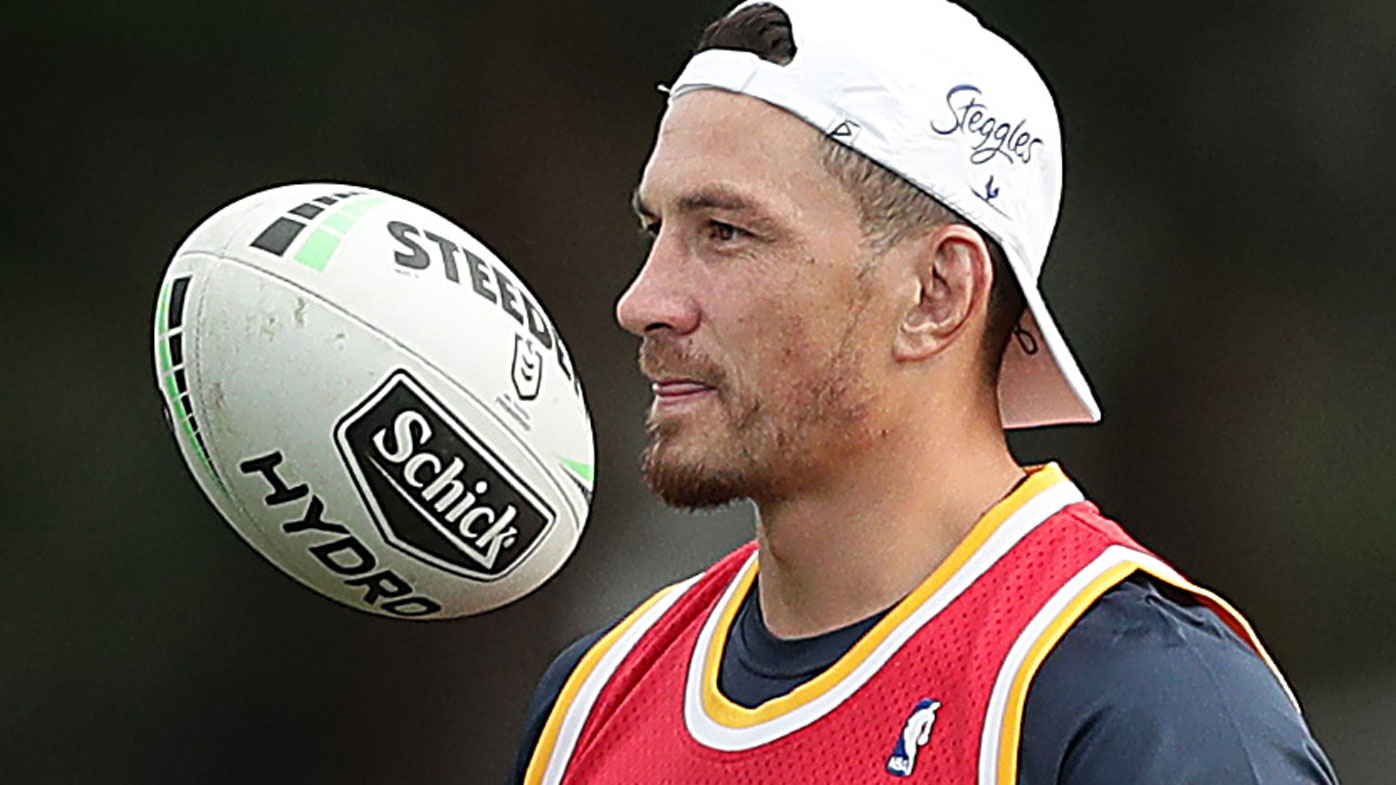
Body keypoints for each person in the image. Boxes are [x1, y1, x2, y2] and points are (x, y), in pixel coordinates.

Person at [512, 1, 1339, 782]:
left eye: (725, 232)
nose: (644, 301)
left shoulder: (1150, 705)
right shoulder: (591, 702)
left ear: (936, 293)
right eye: (655, 229)